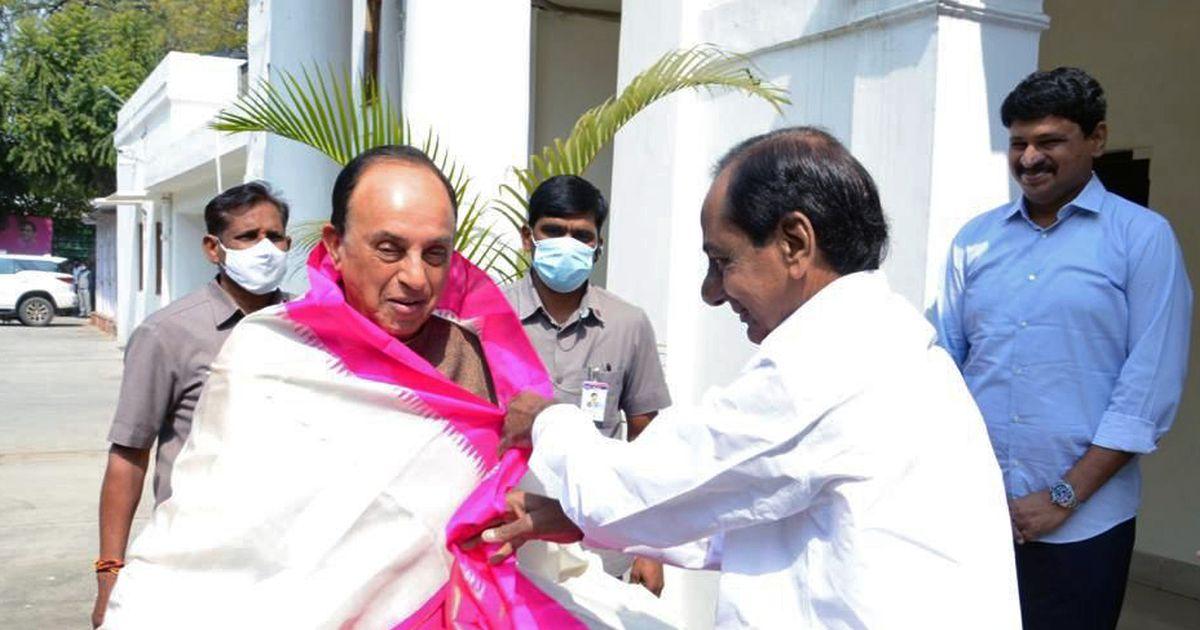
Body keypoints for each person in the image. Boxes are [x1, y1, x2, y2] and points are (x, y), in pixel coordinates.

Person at [99, 146, 677, 629]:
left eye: (435, 254)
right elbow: (209, 529)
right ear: (335, 244)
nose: (415, 277)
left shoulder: (473, 356)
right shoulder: (268, 350)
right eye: (389, 249)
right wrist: (116, 578)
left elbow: (508, 506)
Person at [487, 127, 1022, 629]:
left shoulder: (828, 363)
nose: (711, 292)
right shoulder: (885, 345)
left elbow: (637, 486)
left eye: (723, 261)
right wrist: (580, 521)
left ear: (794, 242)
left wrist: (548, 421)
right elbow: (757, 519)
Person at [929, 67, 1193, 630]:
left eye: (1049, 141)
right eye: (1018, 143)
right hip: (976, 515)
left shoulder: (1141, 238)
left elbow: (1146, 391)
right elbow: (941, 367)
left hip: (1085, 525)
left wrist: (1061, 498)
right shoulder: (974, 241)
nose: (1029, 158)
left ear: (1096, 139)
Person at [91, 181, 292, 628]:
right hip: (194, 558)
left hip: (287, 558)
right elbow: (129, 454)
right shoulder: (167, 334)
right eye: (248, 236)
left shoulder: (308, 325)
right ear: (213, 248)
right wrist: (109, 573)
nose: (265, 249)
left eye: (275, 236)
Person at [503, 174, 671, 592]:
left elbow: (648, 438)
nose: (568, 243)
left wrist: (650, 548)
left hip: (600, 548)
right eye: (553, 231)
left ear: (598, 246)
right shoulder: (490, 317)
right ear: (527, 238)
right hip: (509, 539)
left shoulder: (628, 324)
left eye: (581, 235)